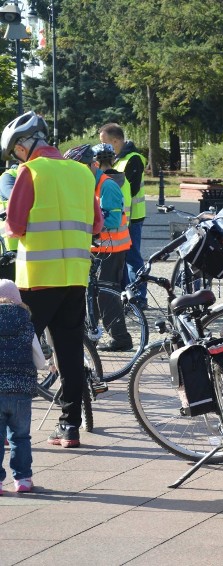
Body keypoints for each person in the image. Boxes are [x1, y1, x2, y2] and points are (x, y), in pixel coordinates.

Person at [2, 110, 103, 448]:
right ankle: (69, 427)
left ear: (24, 145)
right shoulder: (82, 172)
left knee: (12, 353)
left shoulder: (30, 172)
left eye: (16, 150)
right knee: (71, 352)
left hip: (37, 278)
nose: (17, 156)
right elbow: (97, 224)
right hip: (75, 276)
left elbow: (15, 225)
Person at [64, 144, 133, 353]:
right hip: (97, 248)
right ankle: (90, 336)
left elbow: (112, 219)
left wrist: (84, 223)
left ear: (91, 165)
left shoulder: (107, 185)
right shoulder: (86, 183)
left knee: (106, 295)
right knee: (90, 293)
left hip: (112, 248)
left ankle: (121, 338)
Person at [0, 279, 47, 494]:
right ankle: (23, 479)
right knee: (20, 436)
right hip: (21, 391)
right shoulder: (26, 325)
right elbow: (39, 359)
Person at [98, 123, 147, 307]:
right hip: (123, 217)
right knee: (124, 258)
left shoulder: (133, 158)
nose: (103, 146)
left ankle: (140, 297)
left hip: (132, 217)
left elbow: (130, 190)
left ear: (116, 140)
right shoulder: (118, 159)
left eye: (105, 142)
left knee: (133, 258)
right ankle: (128, 295)